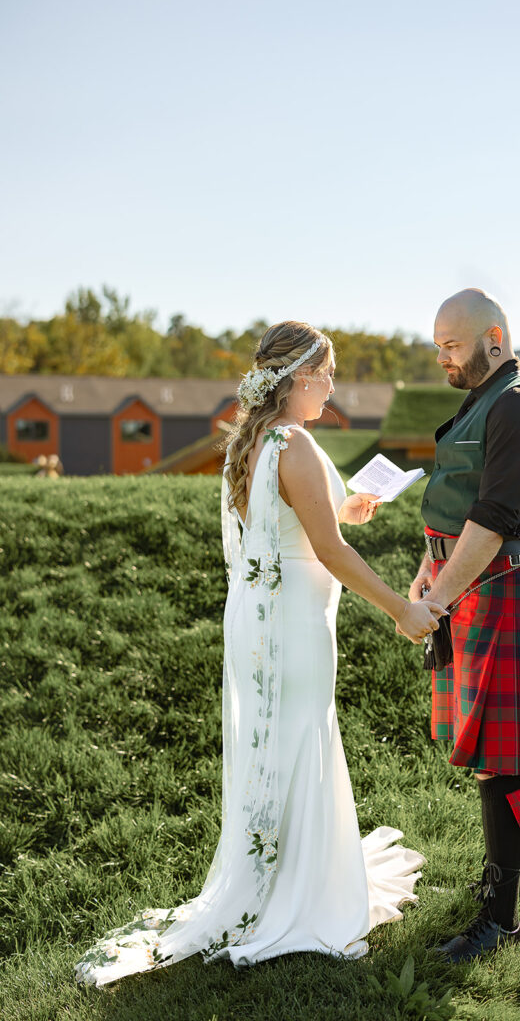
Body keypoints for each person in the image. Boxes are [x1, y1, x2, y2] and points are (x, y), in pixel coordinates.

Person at [74, 320, 445, 986]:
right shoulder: (294, 443)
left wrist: (351, 507)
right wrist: (402, 609)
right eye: (327, 372)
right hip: (294, 627)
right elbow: (328, 550)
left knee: (278, 748)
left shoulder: (251, 442)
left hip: (256, 622)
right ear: (298, 376)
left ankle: (279, 873)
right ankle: (294, 898)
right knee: (301, 741)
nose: (332, 385)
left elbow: (298, 522)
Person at [405, 289, 520, 964]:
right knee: (487, 759)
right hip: (466, 588)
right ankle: (497, 893)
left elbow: (493, 518)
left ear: (494, 337)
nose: (441, 357)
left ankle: (499, 917)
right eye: (438, 346)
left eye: (450, 345)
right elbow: (455, 496)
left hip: (497, 590)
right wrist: (428, 568)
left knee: (504, 764)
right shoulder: (484, 397)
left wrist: (436, 602)